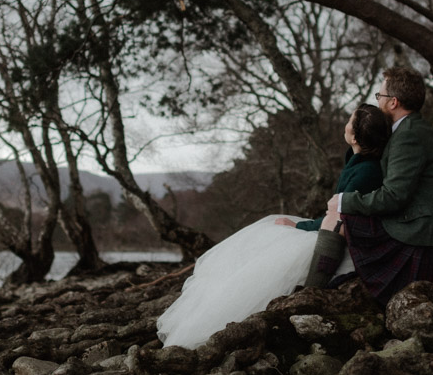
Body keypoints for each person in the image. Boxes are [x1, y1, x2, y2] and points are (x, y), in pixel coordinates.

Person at [156, 104, 390, 349]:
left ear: (355, 136)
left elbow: (341, 216)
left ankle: (233, 314)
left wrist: (302, 226)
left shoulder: (366, 172)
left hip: (339, 235)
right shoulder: (357, 161)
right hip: (332, 225)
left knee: (275, 240)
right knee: (268, 230)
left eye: (349, 122)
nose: (345, 124)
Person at [323, 67, 433, 305]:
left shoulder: (409, 135)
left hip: (428, 237)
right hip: (419, 225)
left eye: (379, 97)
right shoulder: (406, 130)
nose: (378, 101)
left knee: (341, 217)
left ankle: (314, 287)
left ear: (393, 102)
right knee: (343, 218)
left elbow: (394, 196)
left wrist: (345, 200)